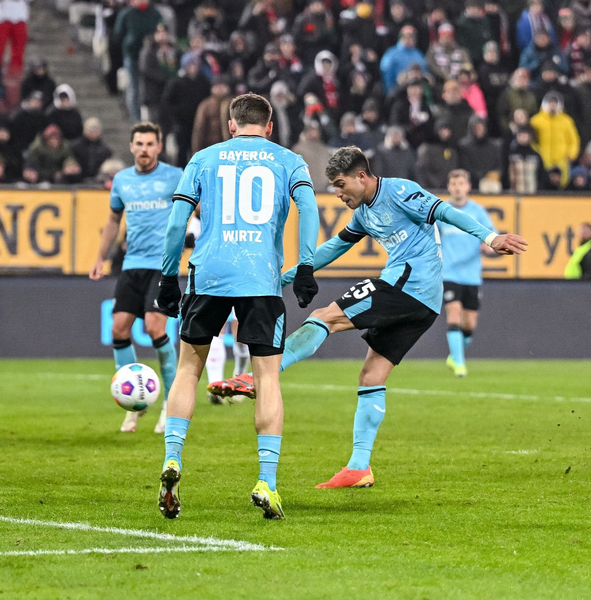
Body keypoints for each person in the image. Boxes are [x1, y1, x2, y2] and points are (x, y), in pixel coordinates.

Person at [209, 146, 527, 489]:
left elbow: (446, 211)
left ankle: (262, 376)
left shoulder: (400, 191)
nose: (338, 192)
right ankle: (359, 467)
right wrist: (292, 274)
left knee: (325, 316)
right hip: (423, 303)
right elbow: (336, 246)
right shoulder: (363, 213)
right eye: (333, 186)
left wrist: (491, 238)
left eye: (341, 184)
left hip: (406, 286)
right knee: (371, 373)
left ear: (362, 176)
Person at [155, 93, 320, 520]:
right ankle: (267, 480)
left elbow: (176, 221)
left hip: (208, 274)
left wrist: (166, 274)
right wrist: (305, 267)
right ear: (269, 127)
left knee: (189, 367)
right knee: (266, 377)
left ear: (231, 126)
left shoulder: (203, 159)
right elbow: (309, 208)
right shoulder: (289, 160)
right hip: (260, 279)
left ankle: (173, 457)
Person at [89, 122, 182, 434]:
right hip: (132, 264)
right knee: (119, 328)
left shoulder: (175, 177)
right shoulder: (122, 180)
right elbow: (113, 220)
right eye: (139, 144)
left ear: (158, 147)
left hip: (163, 265)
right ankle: (134, 402)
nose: (144, 149)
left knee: (155, 326)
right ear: (131, 147)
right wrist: (101, 258)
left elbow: (195, 212)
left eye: (150, 144)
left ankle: (171, 403)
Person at [437, 170, 496, 377]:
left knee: (469, 324)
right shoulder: (442, 212)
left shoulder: (478, 212)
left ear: (468, 187)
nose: (457, 188)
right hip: (449, 274)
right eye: (453, 184)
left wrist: (489, 247)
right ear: (449, 187)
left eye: (461, 183)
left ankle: (455, 355)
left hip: (472, 276)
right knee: (453, 313)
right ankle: (460, 365)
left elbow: (492, 239)